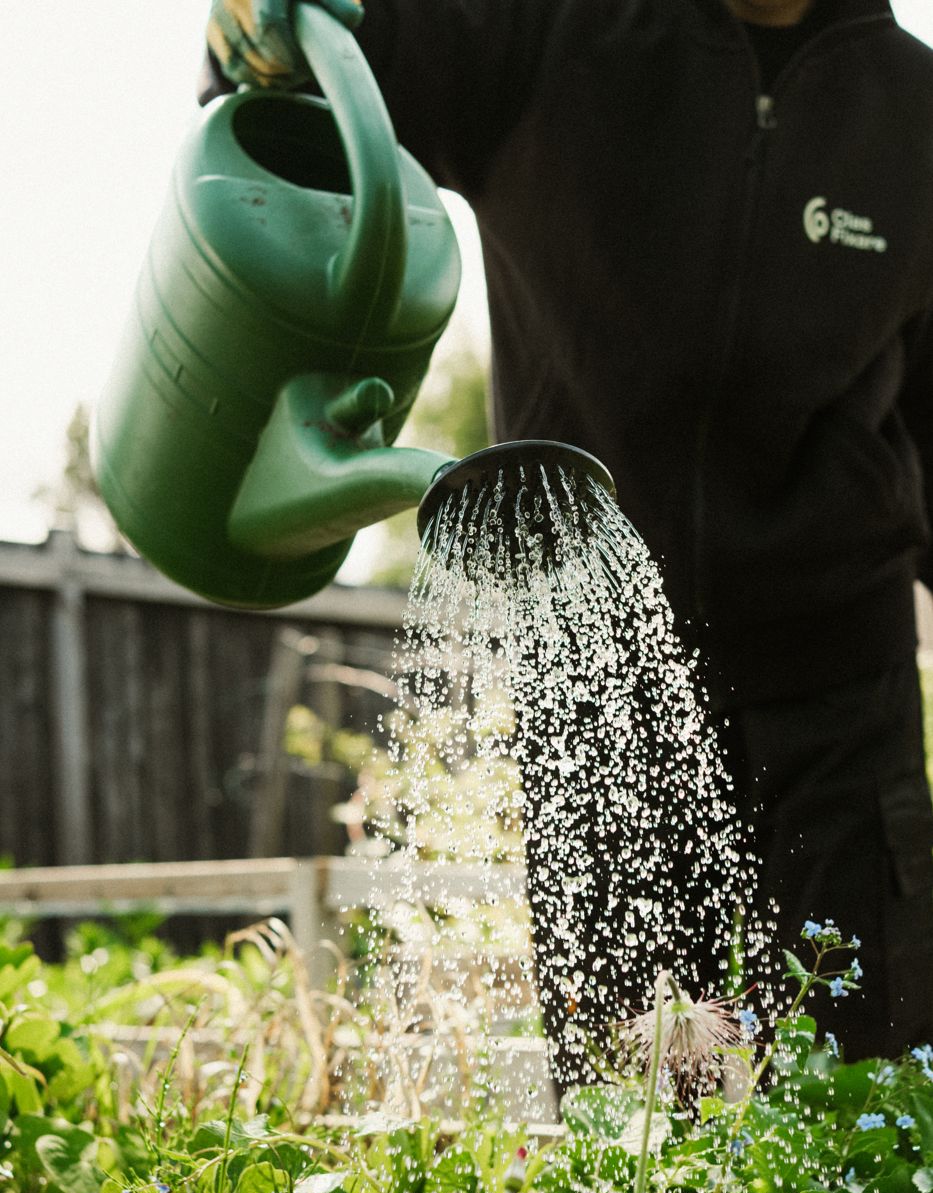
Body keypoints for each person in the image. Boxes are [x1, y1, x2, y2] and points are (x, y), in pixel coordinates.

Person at [200, 0, 933, 1081]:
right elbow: (308, 65)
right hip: (594, 690)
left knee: (864, 1115)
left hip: (838, 699)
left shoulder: (913, 116)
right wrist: (250, 35)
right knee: (630, 1118)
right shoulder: (546, 30)